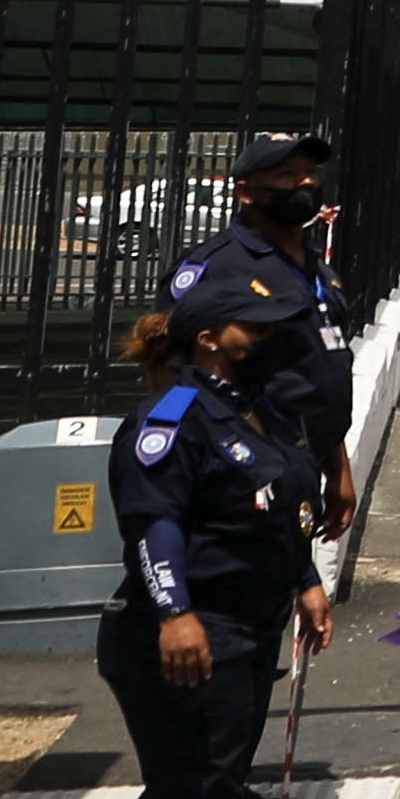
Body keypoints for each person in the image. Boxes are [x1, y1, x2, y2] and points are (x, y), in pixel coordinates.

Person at [100, 287, 328, 799]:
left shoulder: (258, 409)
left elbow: (275, 510)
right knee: (198, 794)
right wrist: (175, 612)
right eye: (256, 327)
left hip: (245, 626)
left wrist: (305, 580)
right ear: (207, 338)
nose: (272, 338)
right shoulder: (171, 418)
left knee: (189, 782)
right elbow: (153, 523)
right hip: (187, 631)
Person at [163, 130, 359, 545]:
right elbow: (169, 373)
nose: (305, 183)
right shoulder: (218, 269)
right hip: (241, 474)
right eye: (288, 174)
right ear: (246, 191)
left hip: (303, 465)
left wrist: (338, 470)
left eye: (310, 172)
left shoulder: (318, 270)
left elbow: (319, 377)